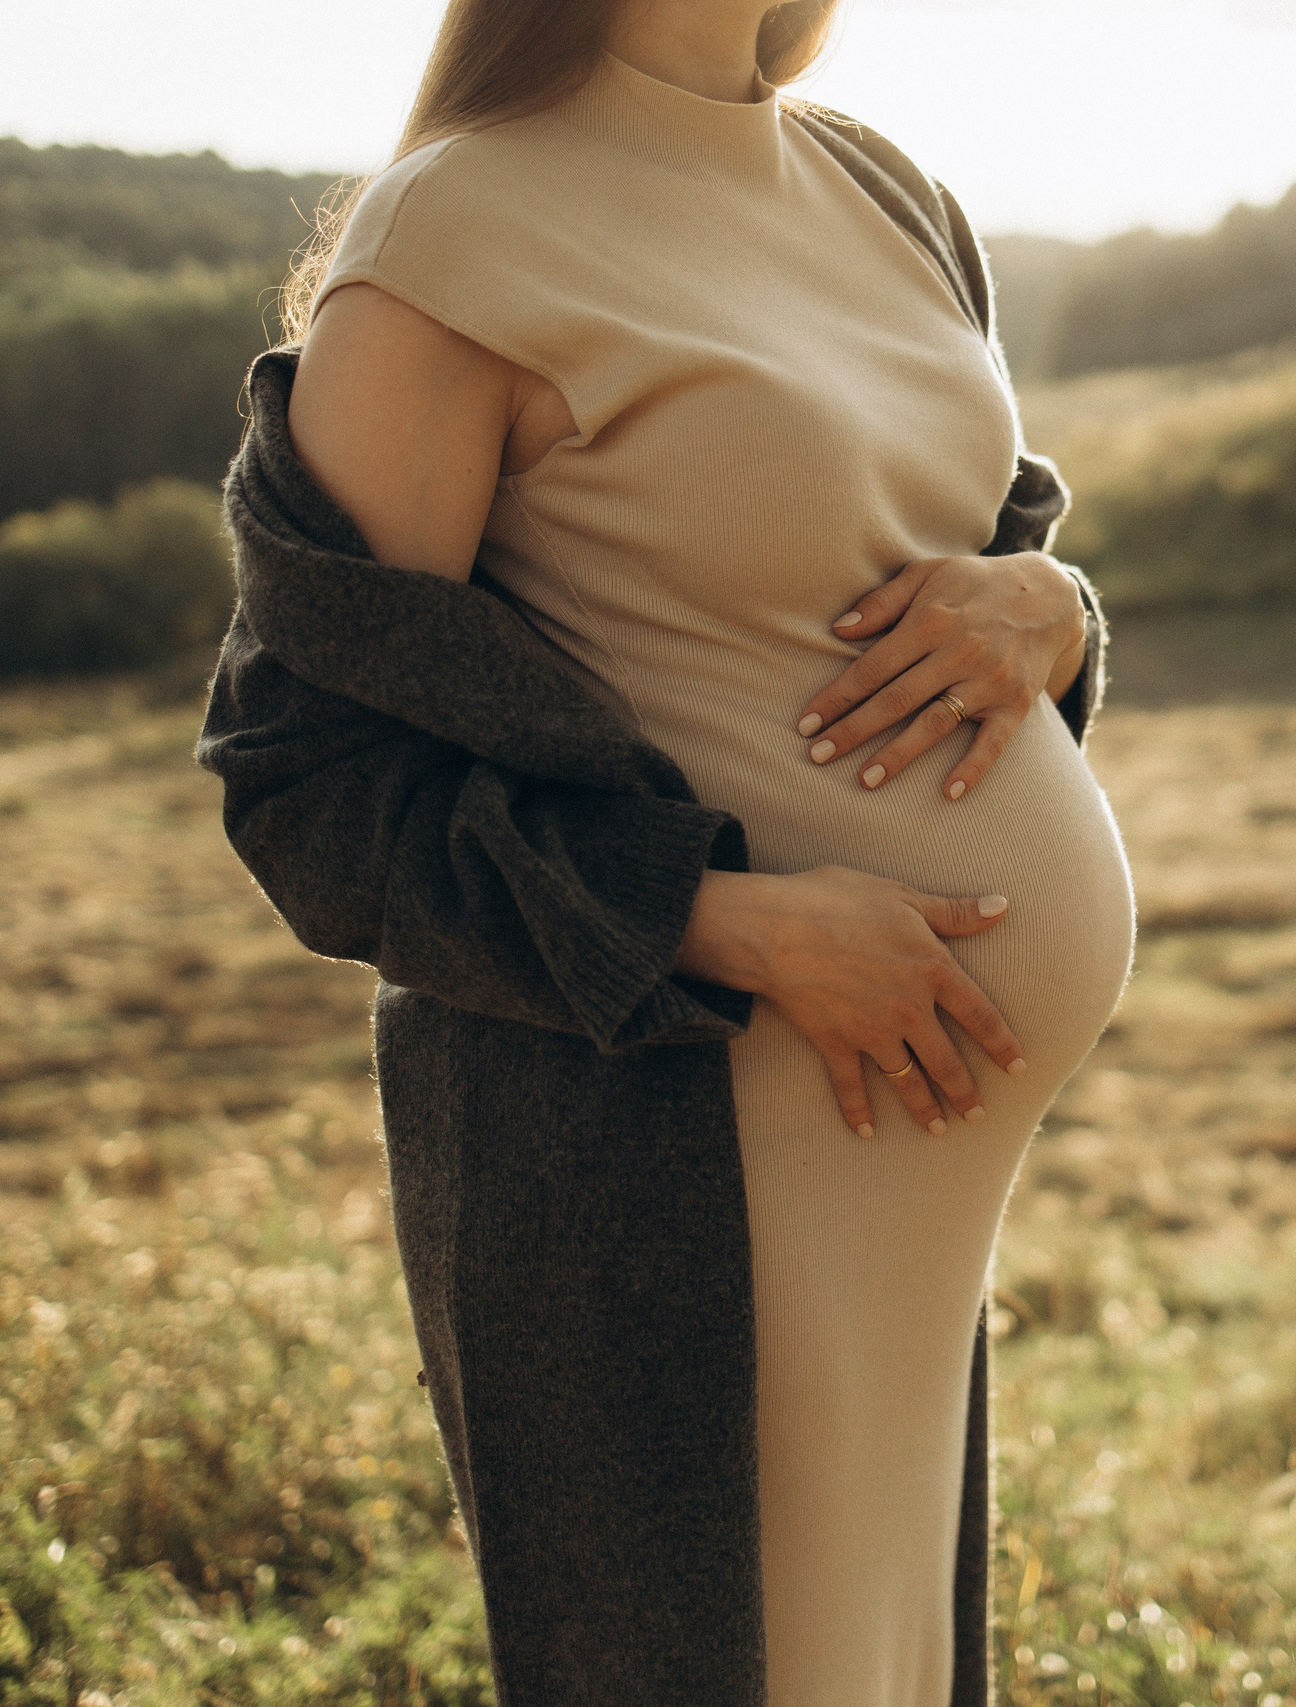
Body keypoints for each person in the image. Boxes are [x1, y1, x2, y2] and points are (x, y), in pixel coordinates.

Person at [256, 0, 1137, 1699]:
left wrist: (1051, 607)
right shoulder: (454, 234)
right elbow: (312, 775)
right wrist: (729, 927)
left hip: (896, 1185)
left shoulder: (881, 190)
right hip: (680, 1159)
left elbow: (938, 544)